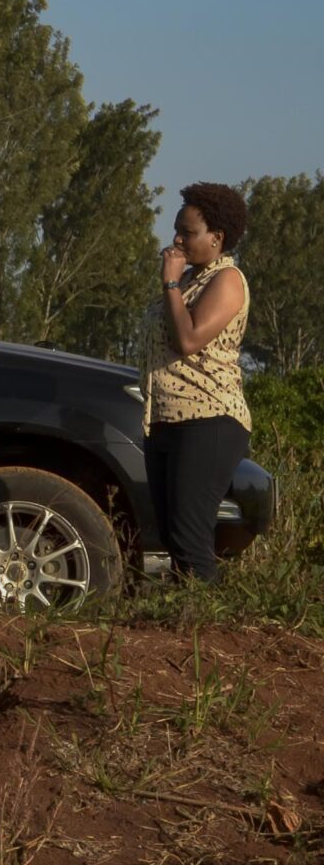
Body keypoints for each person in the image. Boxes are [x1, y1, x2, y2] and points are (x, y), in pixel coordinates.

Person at [141, 182, 252, 582]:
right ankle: (182, 626)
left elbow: (188, 340)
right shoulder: (189, 279)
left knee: (190, 539)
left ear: (216, 238)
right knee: (173, 539)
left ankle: (206, 633)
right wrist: (176, 283)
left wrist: (169, 284)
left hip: (209, 419)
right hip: (165, 419)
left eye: (187, 232)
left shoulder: (227, 280)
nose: (176, 239)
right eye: (176, 229)